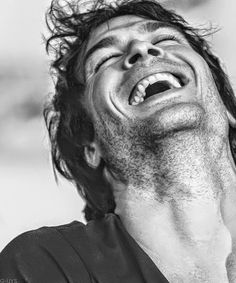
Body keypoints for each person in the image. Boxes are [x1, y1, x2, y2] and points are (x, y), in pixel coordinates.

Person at [1, 0, 236, 282]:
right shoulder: (42, 265)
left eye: (165, 39)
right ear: (90, 144)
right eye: (104, 60)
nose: (141, 49)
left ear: (226, 107)